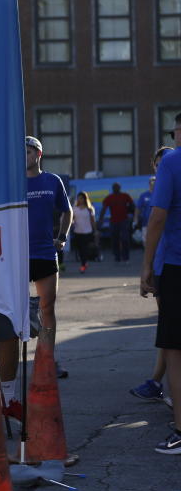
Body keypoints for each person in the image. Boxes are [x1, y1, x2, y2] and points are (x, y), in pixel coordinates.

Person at [138, 111, 181, 453]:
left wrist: (146, 265)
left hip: (177, 266)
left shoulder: (172, 163)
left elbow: (157, 218)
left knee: (175, 349)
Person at [130, 145, 175, 402]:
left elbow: (159, 222)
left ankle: (161, 385)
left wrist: (146, 269)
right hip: (161, 264)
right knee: (167, 331)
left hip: (169, 265)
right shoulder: (154, 192)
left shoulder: (167, 192)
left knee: (170, 334)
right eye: (158, 164)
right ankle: (157, 383)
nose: (160, 168)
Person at [25, 136, 72, 382]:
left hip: (44, 253)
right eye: (22, 151)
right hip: (18, 257)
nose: (25, 155)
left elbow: (67, 210)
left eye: (29, 151)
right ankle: (11, 362)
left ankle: (47, 360)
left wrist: (62, 236)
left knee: (47, 308)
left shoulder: (52, 181)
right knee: (14, 311)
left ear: (39, 155)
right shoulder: (13, 182)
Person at [99, 182, 136, 263]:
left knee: (125, 238)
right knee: (114, 239)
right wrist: (100, 219)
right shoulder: (109, 197)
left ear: (120, 188)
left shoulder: (125, 196)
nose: (116, 188)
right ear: (112, 188)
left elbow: (133, 205)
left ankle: (126, 257)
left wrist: (133, 215)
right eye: (114, 187)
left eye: (117, 187)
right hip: (114, 221)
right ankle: (117, 256)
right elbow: (104, 208)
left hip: (124, 221)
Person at [71, 193, 98, 273]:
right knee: (80, 249)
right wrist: (71, 224)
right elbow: (71, 219)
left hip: (87, 232)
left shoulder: (90, 209)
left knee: (84, 249)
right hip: (77, 232)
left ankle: (83, 265)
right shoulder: (75, 209)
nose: (80, 200)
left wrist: (95, 230)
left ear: (85, 199)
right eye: (79, 198)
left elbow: (93, 221)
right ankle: (84, 263)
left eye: (82, 198)